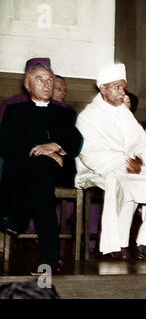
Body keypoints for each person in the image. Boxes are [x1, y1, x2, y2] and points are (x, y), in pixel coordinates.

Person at [75, 63, 146, 261]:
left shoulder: (124, 113)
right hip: (99, 170)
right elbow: (89, 153)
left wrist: (140, 159)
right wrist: (124, 161)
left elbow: (143, 144)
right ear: (103, 89)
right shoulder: (88, 116)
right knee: (121, 184)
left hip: (130, 168)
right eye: (117, 88)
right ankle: (114, 246)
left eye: (123, 88)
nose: (122, 92)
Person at [0, 58, 83, 274]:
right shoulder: (14, 111)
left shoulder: (66, 113)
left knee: (40, 173)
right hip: (27, 169)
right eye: (40, 79)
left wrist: (56, 146)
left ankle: (16, 219)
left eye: (50, 80)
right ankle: (52, 259)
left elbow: (75, 141)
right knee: (41, 184)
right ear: (28, 85)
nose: (47, 84)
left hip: (60, 169)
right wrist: (42, 152)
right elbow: (7, 143)